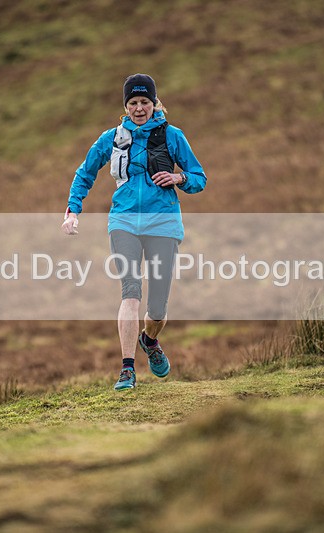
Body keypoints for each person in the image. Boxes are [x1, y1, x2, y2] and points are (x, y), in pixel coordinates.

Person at [61, 73, 207, 390]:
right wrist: (73, 209)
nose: (139, 108)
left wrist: (179, 179)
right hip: (123, 221)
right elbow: (84, 173)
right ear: (125, 107)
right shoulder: (111, 139)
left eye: (144, 102)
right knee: (130, 291)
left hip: (164, 223)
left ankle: (149, 341)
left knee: (157, 309)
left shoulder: (173, 136)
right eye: (133, 103)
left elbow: (199, 177)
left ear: (154, 104)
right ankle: (127, 368)